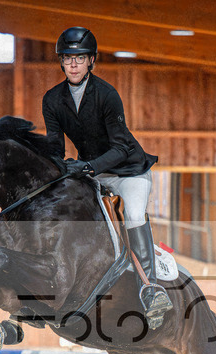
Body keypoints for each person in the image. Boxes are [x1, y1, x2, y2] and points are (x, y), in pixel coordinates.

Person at [42, 27, 172, 326]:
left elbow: (121, 147)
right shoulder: (52, 99)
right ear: (61, 62)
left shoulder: (106, 94)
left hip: (128, 171)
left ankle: (150, 289)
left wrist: (86, 167)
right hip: (94, 172)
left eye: (80, 58)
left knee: (135, 214)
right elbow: (54, 146)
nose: (73, 64)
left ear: (91, 61)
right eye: (68, 58)